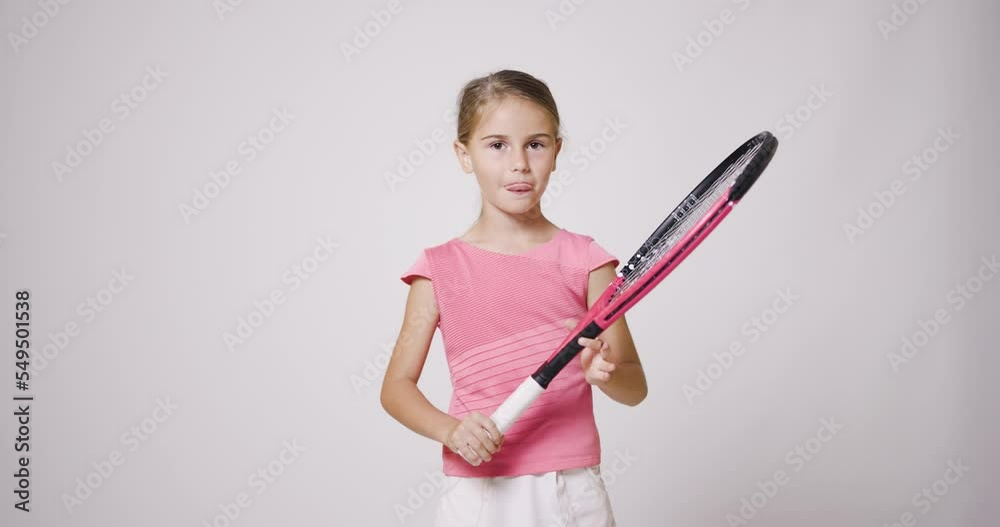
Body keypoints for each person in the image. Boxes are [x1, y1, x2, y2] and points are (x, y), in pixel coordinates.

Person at [381, 69, 648, 526]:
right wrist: (452, 430)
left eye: (536, 144)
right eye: (497, 145)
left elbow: (634, 387)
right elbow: (395, 388)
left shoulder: (588, 262)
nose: (520, 163)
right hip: (478, 493)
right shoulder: (438, 269)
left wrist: (603, 374)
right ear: (464, 155)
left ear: (557, 151)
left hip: (571, 490)